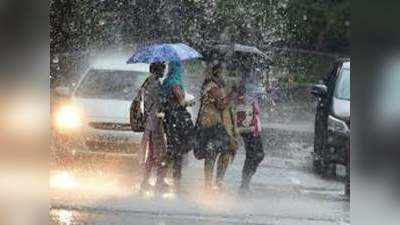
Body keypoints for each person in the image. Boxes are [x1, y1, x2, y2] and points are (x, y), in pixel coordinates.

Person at [197, 62, 238, 190]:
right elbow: (221, 105)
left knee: (223, 151)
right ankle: (210, 185)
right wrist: (233, 93)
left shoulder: (218, 86)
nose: (224, 76)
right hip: (211, 127)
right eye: (222, 72)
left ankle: (216, 183)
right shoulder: (211, 86)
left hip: (218, 126)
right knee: (213, 152)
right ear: (217, 73)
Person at [162, 60, 194, 192]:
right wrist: (190, 102)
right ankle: (176, 180)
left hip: (170, 118)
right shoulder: (175, 83)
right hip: (177, 119)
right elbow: (181, 101)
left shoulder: (166, 81)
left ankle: (163, 176)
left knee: (172, 150)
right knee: (177, 151)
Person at [139, 62, 168, 192]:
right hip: (155, 124)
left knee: (152, 154)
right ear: (158, 70)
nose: (164, 71)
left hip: (150, 124)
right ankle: (158, 182)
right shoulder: (156, 84)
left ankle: (146, 181)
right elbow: (161, 102)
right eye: (163, 69)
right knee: (159, 154)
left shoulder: (147, 82)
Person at [236, 66, 265, 194]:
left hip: (251, 121)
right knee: (256, 154)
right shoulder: (248, 84)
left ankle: (245, 183)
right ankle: (244, 184)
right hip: (247, 120)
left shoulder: (249, 82)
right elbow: (258, 92)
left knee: (255, 154)